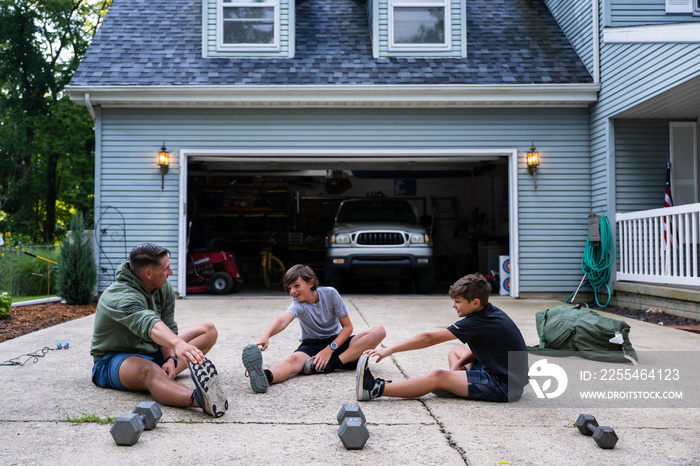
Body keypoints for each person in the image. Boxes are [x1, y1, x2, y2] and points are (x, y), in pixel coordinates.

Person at [90, 243, 228, 418]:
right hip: (113, 360)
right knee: (150, 370)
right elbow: (150, 324)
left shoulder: (163, 288)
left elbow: (167, 327)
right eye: (166, 269)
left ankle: (165, 376)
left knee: (208, 330)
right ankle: (200, 400)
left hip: (151, 348)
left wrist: (170, 358)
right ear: (148, 273)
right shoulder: (118, 297)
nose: (170, 273)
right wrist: (178, 344)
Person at [356, 273, 528, 402]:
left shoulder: (476, 323)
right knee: (456, 351)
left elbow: (429, 338)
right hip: (499, 371)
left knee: (438, 376)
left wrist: (389, 350)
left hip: (505, 387)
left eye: (458, 302)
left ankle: (374, 389)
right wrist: (458, 367)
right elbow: (486, 349)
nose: (453, 305)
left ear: (475, 302)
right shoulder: (489, 314)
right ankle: (454, 382)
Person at [242, 264, 386, 393]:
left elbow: (348, 327)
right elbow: (283, 320)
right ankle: (264, 377)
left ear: (311, 283)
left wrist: (329, 350)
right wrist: (266, 336)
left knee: (378, 330)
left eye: (296, 285)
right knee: (292, 361)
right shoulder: (298, 305)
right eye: (289, 287)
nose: (292, 291)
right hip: (312, 346)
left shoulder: (330, 294)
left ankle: (330, 365)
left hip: (338, 344)